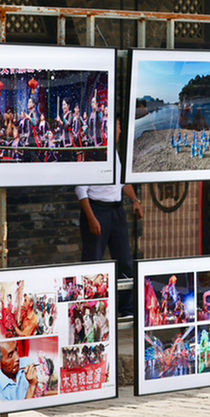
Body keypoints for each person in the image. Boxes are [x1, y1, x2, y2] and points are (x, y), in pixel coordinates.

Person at [76, 121, 144, 316]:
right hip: (97, 209)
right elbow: (80, 189)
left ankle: (127, 308)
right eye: (118, 127)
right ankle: (89, 308)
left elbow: (121, 182)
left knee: (124, 261)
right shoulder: (94, 152)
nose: (120, 130)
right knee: (93, 261)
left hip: (117, 210)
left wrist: (135, 200)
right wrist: (91, 217)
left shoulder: (114, 152)